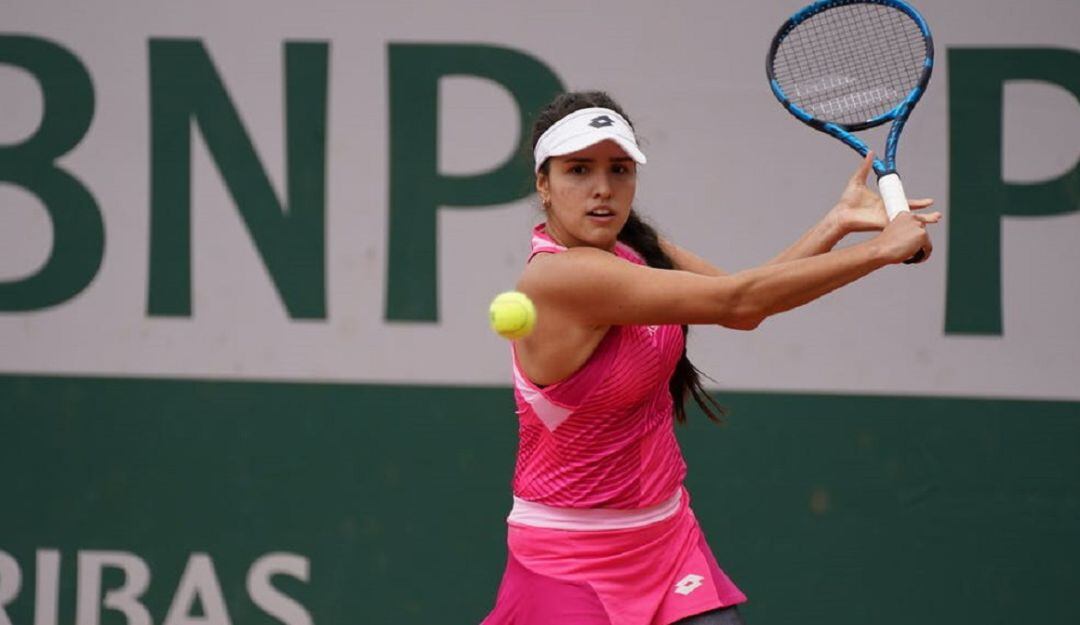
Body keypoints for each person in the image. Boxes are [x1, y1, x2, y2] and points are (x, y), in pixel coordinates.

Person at [481, 91, 940, 625]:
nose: (602, 188)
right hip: (568, 562)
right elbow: (738, 300)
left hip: (666, 542)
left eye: (619, 169)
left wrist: (836, 224)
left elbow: (747, 304)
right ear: (544, 184)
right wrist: (880, 250)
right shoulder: (560, 277)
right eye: (579, 170)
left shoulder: (636, 247)